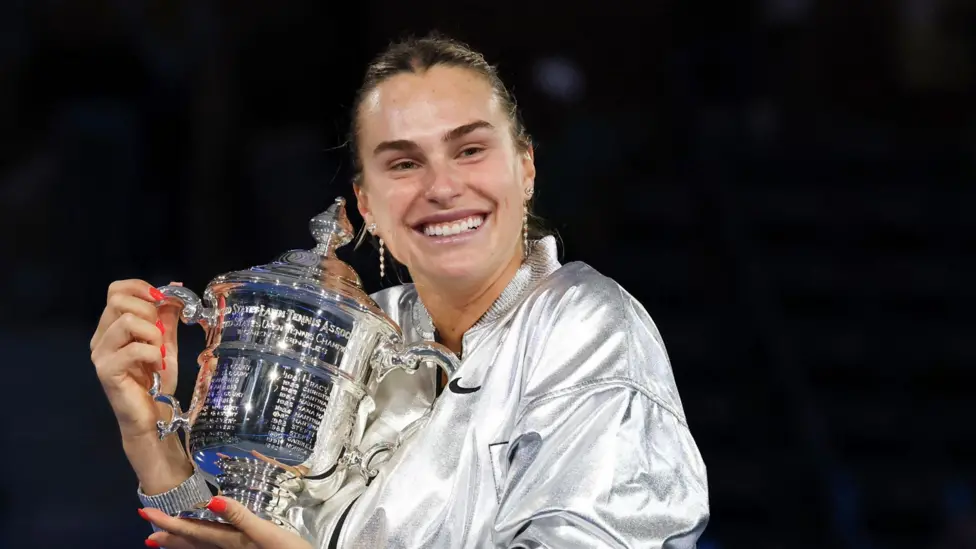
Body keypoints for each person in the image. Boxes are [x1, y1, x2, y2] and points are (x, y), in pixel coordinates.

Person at [90, 33, 710, 549]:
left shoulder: (586, 325)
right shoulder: (361, 330)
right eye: (404, 163)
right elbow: (249, 533)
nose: (442, 187)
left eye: (470, 150)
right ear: (367, 205)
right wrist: (150, 440)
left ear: (525, 168)